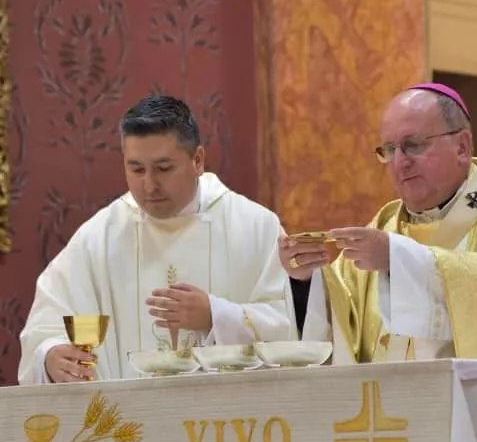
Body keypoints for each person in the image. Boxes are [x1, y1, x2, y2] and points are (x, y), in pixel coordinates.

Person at [280, 83, 477, 362]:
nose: (399, 162)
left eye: (413, 145)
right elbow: (345, 317)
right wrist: (305, 280)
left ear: (462, 146)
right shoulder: (385, 224)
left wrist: (399, 259)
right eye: (390, 150)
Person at [19, 95, 297, 383]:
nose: (149, 185)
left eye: (164, 168)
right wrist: (51, 356)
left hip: (228, 423)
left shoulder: (256, 226)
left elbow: (293, 325)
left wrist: (217, 315)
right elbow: (46, 323)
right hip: (129, 422)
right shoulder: (99, 237)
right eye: (136, 169)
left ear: (197, 160)